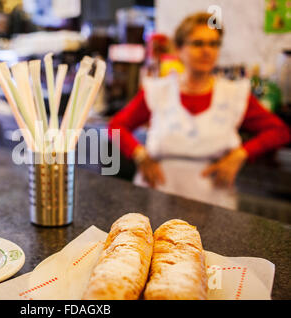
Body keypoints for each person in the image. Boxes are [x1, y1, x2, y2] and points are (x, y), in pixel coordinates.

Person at [108, 12, 290, 208]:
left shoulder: (234, 94)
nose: (207, 51)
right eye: (198, 43)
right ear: (179, 49)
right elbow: (115, 127)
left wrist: (240, 155)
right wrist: (140, 155)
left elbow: (280, 132)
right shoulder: (157, 90)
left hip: (215, 203)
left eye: (213, 44)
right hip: (158, 198)